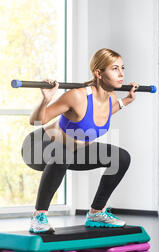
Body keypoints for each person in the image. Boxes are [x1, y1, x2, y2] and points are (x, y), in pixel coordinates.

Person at [21, 48, 139, 233]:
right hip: (37, 148)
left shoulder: (111, 98)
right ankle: (39, 216)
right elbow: (36, 121)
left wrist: (125, 101)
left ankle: (96, 212)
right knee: (63, 153)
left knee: (121, 157)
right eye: (114, 68)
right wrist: (46, 99)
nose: (121, 73)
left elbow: (99, 116)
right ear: (99, 73)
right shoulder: (77, 96)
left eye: (122, 68)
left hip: (70, 152)